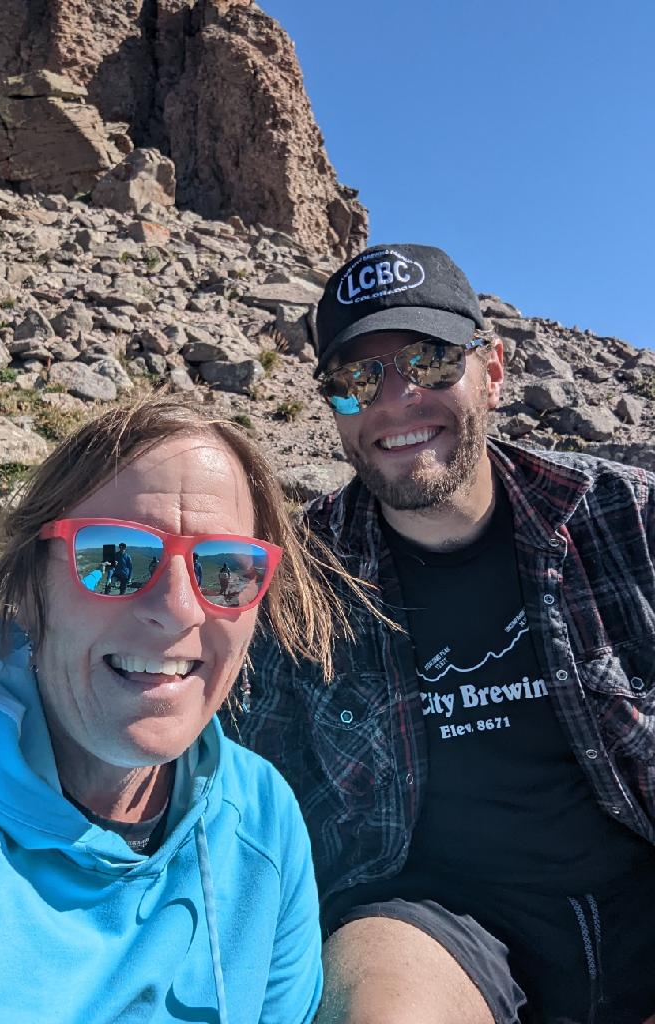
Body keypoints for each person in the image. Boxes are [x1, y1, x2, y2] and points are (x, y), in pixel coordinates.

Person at [228, 244, 655, 1024]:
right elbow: (229, 778)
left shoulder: (627, 519)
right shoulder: (303, 585)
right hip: (437, 928)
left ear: (492, 370)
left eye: (428, 362)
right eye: (355, 380)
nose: (394, 401)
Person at [0, 397, 348, 1024]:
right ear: (30, 581)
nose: (180, 608)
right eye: (115, 559)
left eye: (226, 571)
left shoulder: (262, 821)